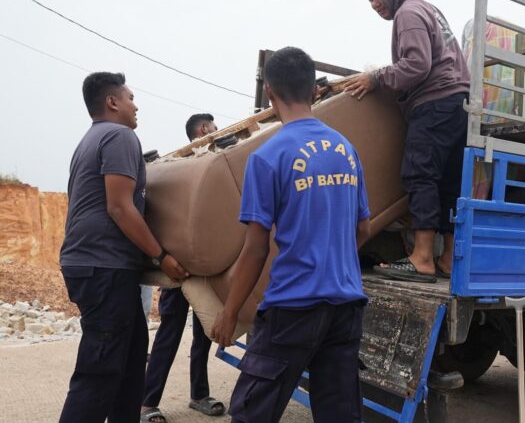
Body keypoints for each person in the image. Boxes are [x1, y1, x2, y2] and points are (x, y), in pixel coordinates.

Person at [211, 46, 370, 423]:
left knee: (253, 412)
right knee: (339, 415)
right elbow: (362, 228)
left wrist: (229, 312)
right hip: (345, 306)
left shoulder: (268, 157)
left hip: (293, 307)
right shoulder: (346, 150)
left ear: (270, 92)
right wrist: (333, 257)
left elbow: (255, 250)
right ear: (314, 90)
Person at [59, 72, 189, 423]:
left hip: (100, 265)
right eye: (131, 97)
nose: (136, 105)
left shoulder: (91, 139)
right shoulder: (119, 136)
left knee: (131, 365)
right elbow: (120, 206)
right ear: (112, 102)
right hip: (104, 267)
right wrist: (162, 256)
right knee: (99, 372)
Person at [340, 0, 470, 283]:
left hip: (434, 104)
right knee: (449, 182)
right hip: (459, 103)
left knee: (420, 174)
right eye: (370, 0)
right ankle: (449, 258)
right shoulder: (428, 8)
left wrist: (376, 78)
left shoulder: (407, 14)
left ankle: (422, 257)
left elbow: (417, 64)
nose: (376, 4)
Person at [140, 113, 223, 423]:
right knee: (170, 332)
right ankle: (146, 402)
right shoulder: (180, 168)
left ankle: (199, 394)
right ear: (202, 130)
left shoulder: (214, 165)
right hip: (179, 270)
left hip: (206, 268)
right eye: (213, 127)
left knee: (203, 332)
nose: (217, 130)